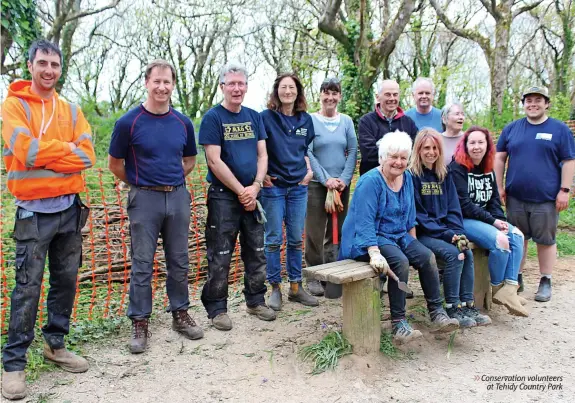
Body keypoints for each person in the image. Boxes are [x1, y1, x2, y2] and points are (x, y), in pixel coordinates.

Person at [1, 40, 96, 400]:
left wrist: (49, 157)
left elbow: (87, 155)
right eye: (43, 63)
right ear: (29, 66)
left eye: (55, 64)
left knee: (65, 282)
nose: (49, 70)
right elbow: (26, 150)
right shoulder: (13, 106)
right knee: (26, 288)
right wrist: (64, 152)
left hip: (69, 211)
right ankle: (14, 366)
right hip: (33, 214)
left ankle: (55, 345)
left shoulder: (71, 110)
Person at [109, 60, 203, 353]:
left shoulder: (182, 122)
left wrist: (171, 181)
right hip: (144, 199)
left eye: (167, 82)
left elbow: (189, 161)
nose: (162, 87)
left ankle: (180, 313)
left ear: (173, 85)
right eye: (157, 81)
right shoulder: (129, 122)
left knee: (179, 260)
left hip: (177, 196)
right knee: (142, 263)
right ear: (147, 83)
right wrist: (141, 182)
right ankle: (139, 322)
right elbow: (115, 164)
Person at [339, 131, 459, 344]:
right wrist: (374, 253)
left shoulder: (407, 179)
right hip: (370, 239)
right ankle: (399, 323)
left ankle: (437, 312)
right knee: (400, 262)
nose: (398, 162)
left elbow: (410, 217)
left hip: (398, 235)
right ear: (382, 158)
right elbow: (364, 222)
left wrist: (414, 245)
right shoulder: (370, 182)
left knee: (427, 256)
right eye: (393, 157)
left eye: (403, 158)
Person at [199, 62, 276, 331]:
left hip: (253, 196)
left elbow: (263, 155)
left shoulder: (255, 117)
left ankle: (255, 301)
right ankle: (217, 308)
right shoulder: (213, 118)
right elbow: (213, 160)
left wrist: (255, 186)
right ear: (222, 87)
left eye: (240, 83)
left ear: (246, 87)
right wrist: (240, 190)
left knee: (256, 252)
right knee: (220, 253)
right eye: (231, 83)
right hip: (223, 197)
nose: (236, 88)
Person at [495, 86, 575, 302]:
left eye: (538, 100)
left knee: (546, 240)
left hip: (547, 198)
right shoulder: (512, 129)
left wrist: (565, 190)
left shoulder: (559, 130)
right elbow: (500, 157)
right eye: (528, 100)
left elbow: (569, 161)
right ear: (524, 104)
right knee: (518, 238)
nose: (533, 104)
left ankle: (545, 280)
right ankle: (516, 278)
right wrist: (499, 186)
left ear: (546, 103)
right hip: (515, 197)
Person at [410, 129, 491, 327]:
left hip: (446, 232)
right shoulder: (412, 176)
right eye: (426, 147)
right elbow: (419, 217)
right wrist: (448, 236)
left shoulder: (443, 175)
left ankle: (466, 305)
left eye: (435, 147)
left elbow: (454, 209)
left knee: (466, 252)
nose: (431, 152)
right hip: (424, 234)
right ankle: (452, 307)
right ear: (418, 149)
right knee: (453, 255)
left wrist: (458, 233)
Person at [449, 126, 529, 317]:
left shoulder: (488, 168)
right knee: (501, 242)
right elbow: (464, 205)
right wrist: (493, 222)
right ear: (465, 146)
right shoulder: (457, 168)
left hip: (485, 219)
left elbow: (493, 201)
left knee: (516, 235)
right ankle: (497, 287)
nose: (477, 147)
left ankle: (509, 289)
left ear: (487, 145)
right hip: (464, 220)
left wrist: (501, 222)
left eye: (481, 142)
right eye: (472, 142)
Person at [260, 73, 319, 310]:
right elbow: (259, 149)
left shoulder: (306, 120)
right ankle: (275, 288)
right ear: (277, 91)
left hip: (298, 188)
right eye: (283, 87)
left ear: (298, 92)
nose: (287, 91)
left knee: (295, 239)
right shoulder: (265, 118)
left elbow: (306, 150)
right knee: (273, 239)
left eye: (292, 87)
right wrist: (261, 175)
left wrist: (308, 172)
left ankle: (296, 287)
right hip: (273, 187)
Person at [305, 78, 358, 296]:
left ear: (340, 97)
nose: (330, 98)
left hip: (341, 186)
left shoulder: (346, 121)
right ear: (320, 95)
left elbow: (353, 150)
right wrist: (325, 179)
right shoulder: (310, 120)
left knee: (338, 230)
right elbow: (308, 152)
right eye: (326, 93)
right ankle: (315, 275)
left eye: (334, 93)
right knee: (315, 231)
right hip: (319, 185)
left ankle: (333, 271)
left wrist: (343, 179)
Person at [358, 80, 418, 175]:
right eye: (387, 94)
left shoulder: (408, 122)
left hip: (402, 179)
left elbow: (415, 151)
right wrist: (401, 154)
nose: (392, 98)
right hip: (374, 177)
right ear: (378, 97)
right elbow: (369, 154)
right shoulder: (366, 121)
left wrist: (382, 148)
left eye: (395, 94)